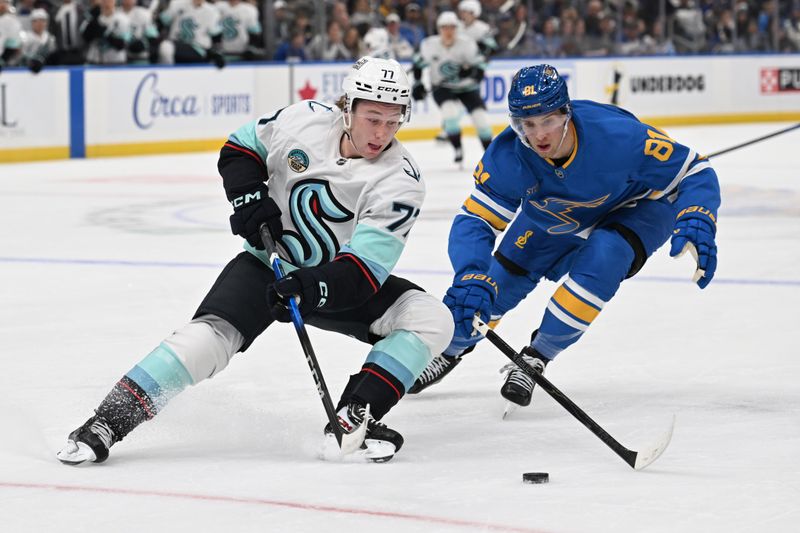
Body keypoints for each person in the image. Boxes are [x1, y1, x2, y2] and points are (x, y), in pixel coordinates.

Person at [57, 56, 453, 465]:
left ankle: (355, 415)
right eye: (373, 118)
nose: (382, 133)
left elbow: (364, 272)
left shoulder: (400, 180)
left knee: (431, 319)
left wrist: (308, 287)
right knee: (206, 340)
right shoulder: (305, 119)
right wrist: (248, 196)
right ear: (347, 107)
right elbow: (240, 148)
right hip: (266, 267)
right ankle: (107, 421)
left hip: (332, 286)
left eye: (393, 121)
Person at [409, 64, 720, 416]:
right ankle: (451, 349)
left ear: (566, 114)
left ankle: (536, 356)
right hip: (560, 211)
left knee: (605, 256)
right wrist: (469, 271)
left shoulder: (618, 137)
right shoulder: (509, 155)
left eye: (548, 121)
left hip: (639, 206)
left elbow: (694, 170)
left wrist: (697, 212)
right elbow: (476, 220)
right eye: (528, 124)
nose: (538, 135)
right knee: (497, 282)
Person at [412, 11, 493, 165]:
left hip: (467, 88)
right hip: (442, 87)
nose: (448, 31)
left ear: (457, 28)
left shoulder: (467, 44)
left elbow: (481, 66)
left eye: (452, 27)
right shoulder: (429, 45)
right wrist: (418, 83)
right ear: (439, 29)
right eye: (444, 27)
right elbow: (418, 64)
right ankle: (457, 148)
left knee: (481, 121)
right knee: (450, 114)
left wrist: (472, 73)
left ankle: (491, 156)